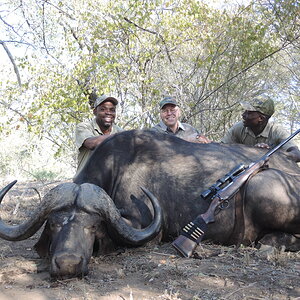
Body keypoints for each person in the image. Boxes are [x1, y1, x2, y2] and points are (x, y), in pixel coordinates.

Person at [221, 95, 300, 162]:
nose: (243, 115)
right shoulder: (238, 128)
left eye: (249, 113)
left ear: (261, 118)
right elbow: (222, 148)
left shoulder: (277, 131)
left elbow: (297, 154)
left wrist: (270, 153)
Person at [75, 94, 124, 176]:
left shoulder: (120, 132)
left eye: (112, 110)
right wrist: (123, 138)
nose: (108, 113)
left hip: (109, 181)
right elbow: (91, 144)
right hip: (85, 181)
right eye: (103, 109)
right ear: (95, 112)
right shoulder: (83, 127)